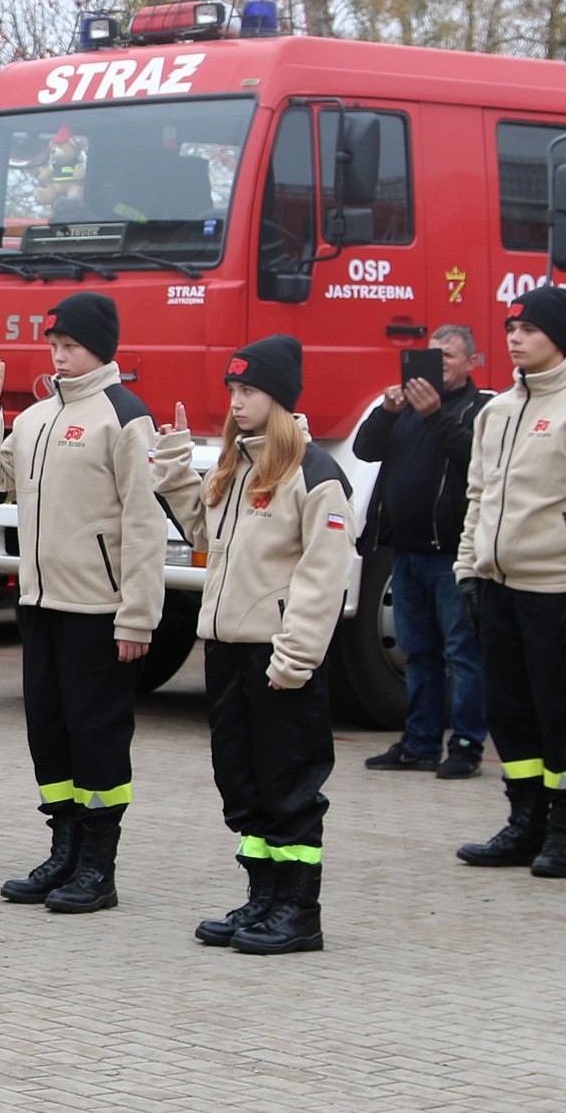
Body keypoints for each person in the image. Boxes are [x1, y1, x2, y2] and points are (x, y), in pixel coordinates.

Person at [0, 292, 162, 911]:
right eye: (54, 346)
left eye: (70, 346)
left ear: (100, 347)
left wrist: (138, 615)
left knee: (96, 733)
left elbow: (145, 523)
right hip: (41, 603)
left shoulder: (125, 417)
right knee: (49, 732)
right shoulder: (38, 417)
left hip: (98, 609)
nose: (59, 356)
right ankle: (64, 849)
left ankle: (98, 866)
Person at [156, 335, 353, 955]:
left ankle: (299, 911)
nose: (237, 403)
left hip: (277, 656)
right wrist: (173, 471)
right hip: (227, 649)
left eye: (249, 391)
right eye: (233, 391)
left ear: (280, 397)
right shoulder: (236, 465)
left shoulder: (314, 474)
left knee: (287, 782)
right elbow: (207, 538)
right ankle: (263, 897)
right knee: (241, 781)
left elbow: (324, 574)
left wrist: (295, 657)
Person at [454, 287, 566, 879]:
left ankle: (565, 832)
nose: (514, 338)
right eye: (510, 328)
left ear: (557, 335)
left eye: (528, 329)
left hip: (558, 591)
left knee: (562, 715)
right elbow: (478, 499)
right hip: (497, 587)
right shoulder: (496, 410)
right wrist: (467, 571)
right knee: (509, 712)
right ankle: (524, 821)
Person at [353, 325, 492, 778]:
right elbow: (364, 449)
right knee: (418, 652)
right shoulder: (406, 407)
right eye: (433, 356)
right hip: (404, 552)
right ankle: (420, 742)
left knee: (461, 652)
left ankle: (467, 745)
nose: (440, 363)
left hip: (451, 553)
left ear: (472, 362)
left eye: (450, 356)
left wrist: (434, 416)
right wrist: (389, 412)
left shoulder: (481, 408)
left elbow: (476, 457)